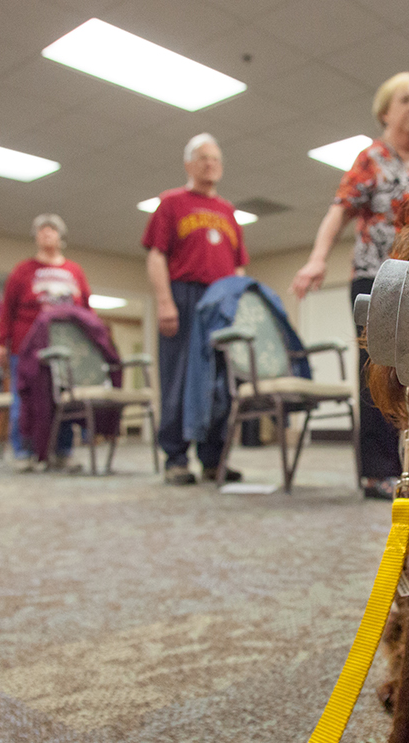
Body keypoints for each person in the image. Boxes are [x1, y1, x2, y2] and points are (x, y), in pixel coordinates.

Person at [290, 72, 409, 499]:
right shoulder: (371, 158)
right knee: (378, 372)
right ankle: (377, 472)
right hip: (375, 279)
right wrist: (318, 258)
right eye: (406, 99)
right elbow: (338, 211)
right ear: (386, 110)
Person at [142, 133, 249, 485]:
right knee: (179, 378)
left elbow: (238, 268)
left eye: (216, 158)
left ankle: (212, 458)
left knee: (219, 382)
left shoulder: (229, 211)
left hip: (220, 302)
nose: (210, 164)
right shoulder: (171, 203)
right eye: (203, 157)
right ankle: (175, 457)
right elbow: (156, 255)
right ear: (189, 164)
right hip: (184, 297)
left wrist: (237, 305)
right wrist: (164, 301)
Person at [0, 213, 92, 470]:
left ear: (61, 237)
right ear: (36, 237)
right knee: (24, 397)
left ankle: (63, 451)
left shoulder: (74, 271)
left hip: (66, 349)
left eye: (52, 230)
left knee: (65, 398)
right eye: (42, 230)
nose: (47, 234)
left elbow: (87, 312)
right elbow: (7, 311)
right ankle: (24, 452)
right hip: (26, 347)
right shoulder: (23, 271)